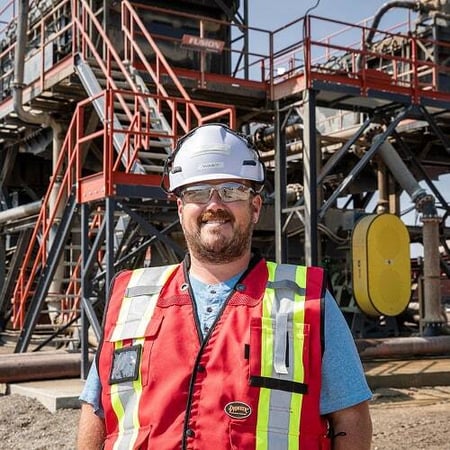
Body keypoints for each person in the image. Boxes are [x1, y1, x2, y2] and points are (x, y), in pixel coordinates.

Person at [77, 123, 372, 450]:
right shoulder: (133, 298)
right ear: (180, 207)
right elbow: (98, 410)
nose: (214, 204)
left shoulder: (307, 302)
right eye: (197, 192)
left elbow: (350, 417)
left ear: (255, 207)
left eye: (231, 190)